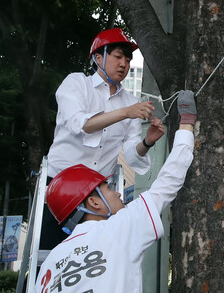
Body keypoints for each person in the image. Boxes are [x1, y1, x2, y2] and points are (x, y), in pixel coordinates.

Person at [31, 90, 197, 293]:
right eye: (108, 188)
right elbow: (169, 179)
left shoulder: (46, 269)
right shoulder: (117, 231)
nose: (118, 191)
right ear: (93, 202)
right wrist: (187, 124)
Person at [41, 27, 165, 249]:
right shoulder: (77, 83)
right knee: (51, 254)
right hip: (61, 186)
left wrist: (148, 142)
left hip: (99, 192)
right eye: (118, 57)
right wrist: (125, 112)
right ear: (99, 58)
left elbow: (130, 153)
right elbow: (81, 125)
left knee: (95, 256)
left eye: (128, 60)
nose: (124, 64)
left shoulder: (130, 101)